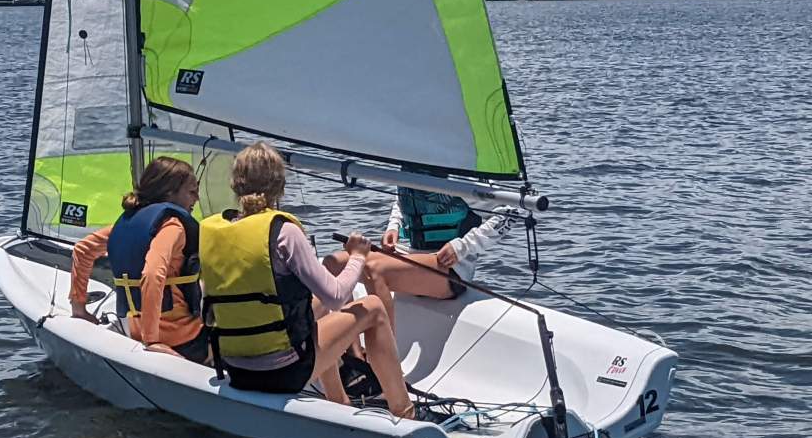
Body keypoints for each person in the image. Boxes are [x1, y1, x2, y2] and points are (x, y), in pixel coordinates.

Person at [200, 142, 415, 419]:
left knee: (311, 308)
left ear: (235, 185)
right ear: (279, 185)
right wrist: (358, 257)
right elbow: (337, 297)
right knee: (372, 307)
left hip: (236, 369)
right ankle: (405, 412)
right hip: (282, 373)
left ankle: (340, 403)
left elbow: (208, 305)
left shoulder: (216, 231)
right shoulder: (284, 232)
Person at [68, 156, 208, 363]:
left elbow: (82, 250)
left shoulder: (129, 222)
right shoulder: (173, 226)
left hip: (133, 330)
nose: (196, 198)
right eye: (191, 192)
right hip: (183, 338)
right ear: (170, 193)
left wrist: (79, 307)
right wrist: (152, 341)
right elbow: (152, 273)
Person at [324, 186, 521, 326]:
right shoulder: (410, 166)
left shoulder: (458, 176)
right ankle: (353, 355)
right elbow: (401, 200)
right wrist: (394, 226)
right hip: (409, 253)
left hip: (451, 268)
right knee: (334, 262)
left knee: (376, 271)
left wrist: (462, 247)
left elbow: (510, 212)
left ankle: (385, 359)